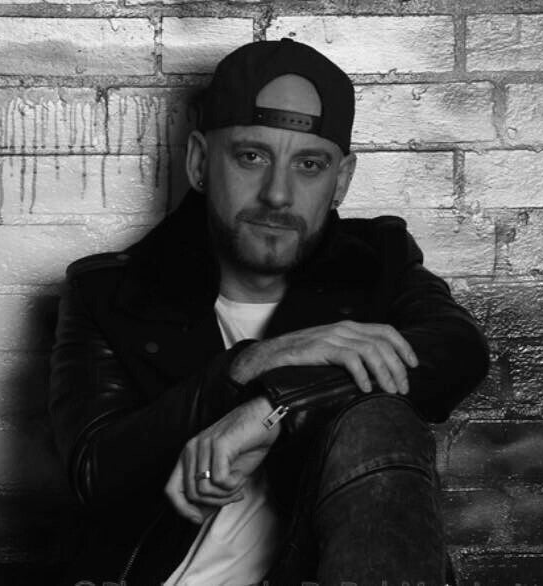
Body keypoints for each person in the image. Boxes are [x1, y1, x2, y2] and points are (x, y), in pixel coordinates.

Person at [49, 38, 489, 586]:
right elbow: (96, 470)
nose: (278, 194)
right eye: (251, 157)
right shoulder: (111, 292)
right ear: (199, 162)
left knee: (379, 420)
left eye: (310, 164)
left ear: (341, 181)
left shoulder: (379, 263)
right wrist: (250, 363)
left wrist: (273, 406)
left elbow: (458, 349)